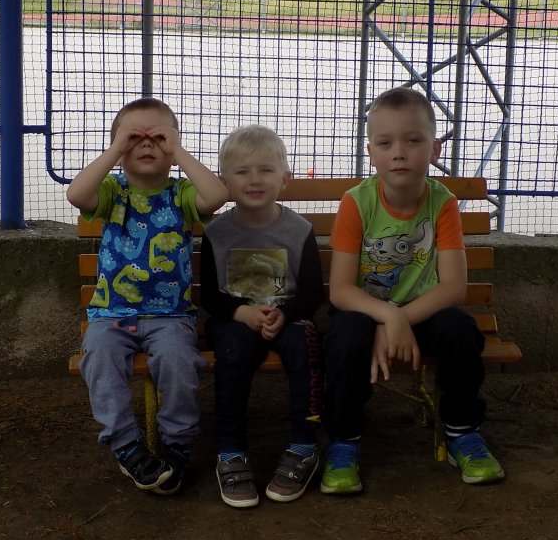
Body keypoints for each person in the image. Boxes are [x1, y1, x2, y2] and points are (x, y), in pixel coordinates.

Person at [320, 87, 505, 494]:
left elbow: (453, 287)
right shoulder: (357, 203)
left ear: (435, 148)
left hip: (421, 313)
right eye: (386, 143)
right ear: (371, 152)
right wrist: (387, 316)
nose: (399, 153)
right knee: (346, 337)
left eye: (413, 141)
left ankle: (462, 432)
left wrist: (400, 318)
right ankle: (344, 440)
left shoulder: (442, 203)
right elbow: (341, 290)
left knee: (460, 330)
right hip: (364, 311)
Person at [66, 97, 228, 495]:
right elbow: (77, 195)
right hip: (111, 314)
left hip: (170, 316)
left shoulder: (181, 193)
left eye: (158, 137)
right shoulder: (112, 190)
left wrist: (179, 152)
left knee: (178, 362)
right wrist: (114, 150)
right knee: (99, 359)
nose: (147, 143)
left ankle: (177, 445)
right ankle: (126, 445)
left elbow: (216, 196)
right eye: (134, 137)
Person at [201, 125, 324, 508]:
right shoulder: (217, 233)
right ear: (225, 182)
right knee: (233, 351)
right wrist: (242, 312)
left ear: (284, 179)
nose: (254, 180)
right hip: (234, 320)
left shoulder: (299, 230)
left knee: (306, 345)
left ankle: (303, 447)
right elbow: (210, 296)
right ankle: (230, 451)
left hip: (286, 317)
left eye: (266, 170)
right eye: (242, 172)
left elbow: (312, 293)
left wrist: (284, 314)